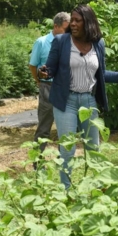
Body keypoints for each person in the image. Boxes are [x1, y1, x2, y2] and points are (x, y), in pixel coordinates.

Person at [42, 4, 118, 188]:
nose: (72, 23)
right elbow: (50, 69)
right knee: (68, 149)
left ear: (88, 22)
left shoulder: (98, 44)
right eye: (71, 20)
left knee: (94, 147)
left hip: (89, 100)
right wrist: (45, 73)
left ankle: (98, 187)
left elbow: (101, 74)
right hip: (66, 102)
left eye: (77, 20)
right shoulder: (61, 42)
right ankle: (65, 191)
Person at [29, 12, 70, 163]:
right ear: (56, 26)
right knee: (44, 126)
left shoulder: (70, 42)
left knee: (65, 127)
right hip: (48, 86)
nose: (68, 32)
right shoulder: (42, 42)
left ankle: (63, 161)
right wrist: (38, 81)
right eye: (65, 29)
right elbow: (32, 65)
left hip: (65, 88)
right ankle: (37, 162)